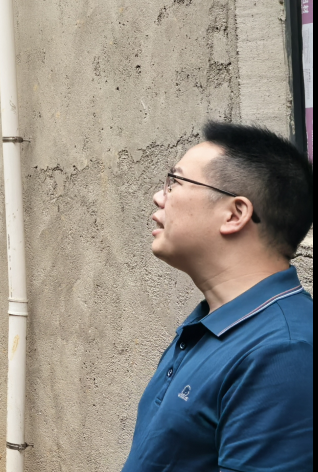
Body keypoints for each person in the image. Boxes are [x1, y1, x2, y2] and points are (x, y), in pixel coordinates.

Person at [122, 122, 313, 471]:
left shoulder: (283, 352)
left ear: (235, 214)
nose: (159, 197)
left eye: (175, 182)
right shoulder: (209, 325)